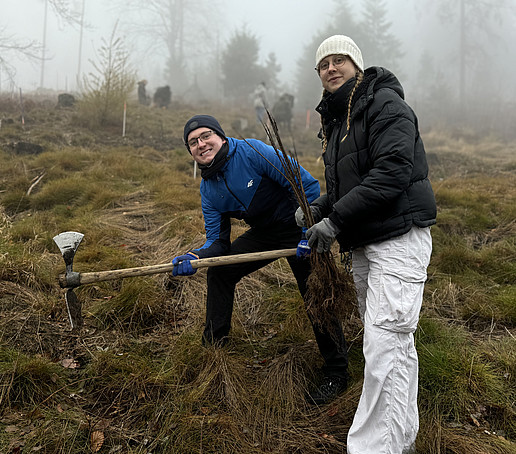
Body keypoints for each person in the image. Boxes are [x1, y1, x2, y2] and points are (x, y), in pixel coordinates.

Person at [296, 35, 436, 453]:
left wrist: (335, 220)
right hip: (366, 243)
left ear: (357, 65)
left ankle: (377, 448)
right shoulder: (339, 119)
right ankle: (400, 439)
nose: (331, 68)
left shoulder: (384, 105)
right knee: (390, 344)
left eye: (340, 60)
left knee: (384, 344)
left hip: (397, 238)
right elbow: (351, 182)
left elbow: (392, 172)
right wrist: (319, 207)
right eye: (323, 64)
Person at [173, 114, 349, 404]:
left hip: (299, 226)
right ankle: (214, 349)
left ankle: (336, 372)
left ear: (221, 136)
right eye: (193, 142)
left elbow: (308, 186)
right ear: (190, 152)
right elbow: (218, 241)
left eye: (206, 136)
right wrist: (196, 256)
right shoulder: (208, 188)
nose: (201, 144)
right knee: (220, 271)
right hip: (264, 234)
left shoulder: (252, 152)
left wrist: (307, 232)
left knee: (314, 291)